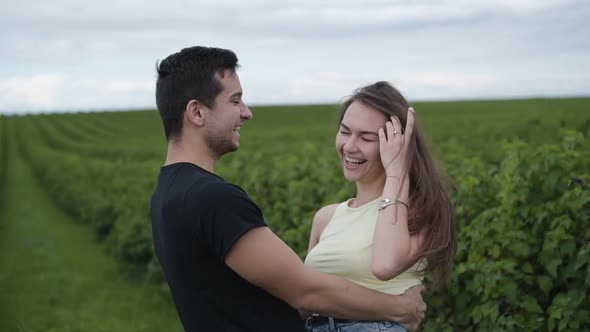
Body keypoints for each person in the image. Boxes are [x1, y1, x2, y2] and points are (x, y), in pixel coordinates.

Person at [150, 46, 427, 332]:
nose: (247, 113)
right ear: (196, 112)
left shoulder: (166, 194)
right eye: (235, 101)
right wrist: (400, 307)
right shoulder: (212, 198)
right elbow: (305, 291)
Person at [304, 82, 457, 331]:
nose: (350, 146)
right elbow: (305, 295)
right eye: (345, 132)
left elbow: (385, 265)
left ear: (397, 143)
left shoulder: (420, 210)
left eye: (366, 137)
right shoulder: (326, 217)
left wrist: (396, 172)